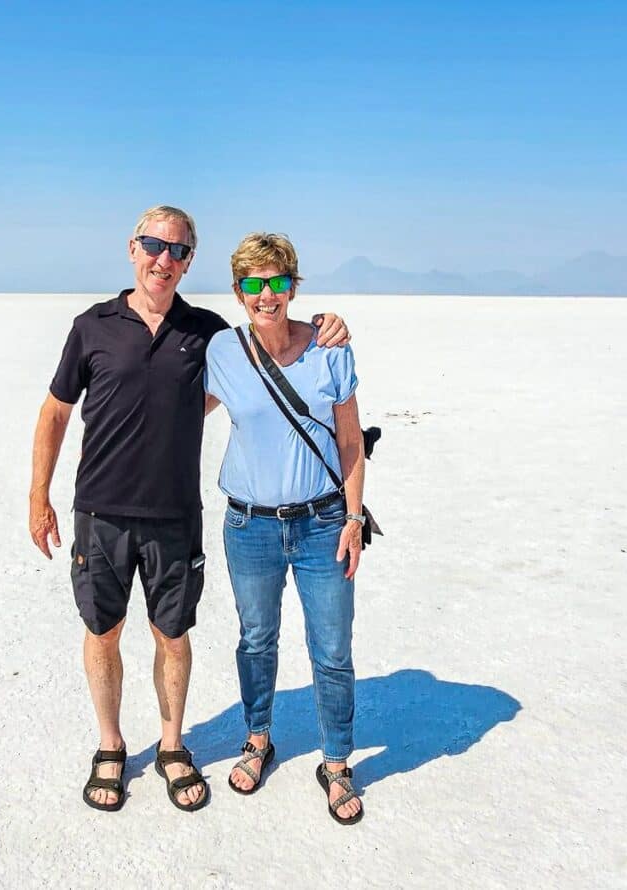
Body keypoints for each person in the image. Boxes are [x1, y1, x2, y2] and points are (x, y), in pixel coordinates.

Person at [28, 207, 349, 813]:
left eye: (177, 250)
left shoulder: (207, 334)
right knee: (103, 631)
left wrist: (327, 324)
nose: (163, 259)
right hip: (100, 511)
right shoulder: (91, 326)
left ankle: (173, 746)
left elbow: (271, 337)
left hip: (175, 512)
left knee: (172, 634)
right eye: (153, 245)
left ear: (190, 260)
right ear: (132, 248)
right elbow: (54, 413)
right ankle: (111, 744)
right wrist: (38, 494)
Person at [203, 232, 366, 825]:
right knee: (256, 639)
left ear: (294, 286)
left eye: (276, 281)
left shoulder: (330, 349)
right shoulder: (222, 351)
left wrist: (353, 516)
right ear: (238, 291)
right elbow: (171, 409)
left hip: (324, 524)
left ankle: (337, 761)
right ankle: (258, 736)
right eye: (252, 283)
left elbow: (350, 440)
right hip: (249, 526)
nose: (265, 294)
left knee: (331, 648)